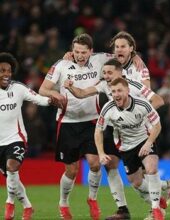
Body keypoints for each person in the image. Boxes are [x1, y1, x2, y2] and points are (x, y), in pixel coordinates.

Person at [64, 58, 170, 219]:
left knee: (150, 169)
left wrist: (139, 115)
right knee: (132, 179)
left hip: (141, 133)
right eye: (104, 73)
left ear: (121, 73)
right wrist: (71, 87)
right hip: (118, 133)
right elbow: (82, 94)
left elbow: (158, 100)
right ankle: (159, 189)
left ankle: (155, 209)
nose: (106, 76)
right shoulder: (105, 90)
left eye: (110, 72)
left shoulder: (134, 87)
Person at [39, 33, 110, 220]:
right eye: (76, 51)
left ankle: (92, 199)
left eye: (84, 52)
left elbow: (123, 56)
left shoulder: (100, 59)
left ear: (91, 51)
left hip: (92, 121)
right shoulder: (60, 65)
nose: (79, 55)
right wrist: (56, 95)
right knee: (71, 170)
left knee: (95, 164)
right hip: (68, 122)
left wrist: (135, 57)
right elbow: (43, 89)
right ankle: (63, 203)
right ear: (72, 50)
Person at [0, 52, 61, 220]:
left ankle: (9, 203)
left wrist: (51, 100)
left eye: (9, 70)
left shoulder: (18, 88)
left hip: (16, 138)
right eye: (2, 70)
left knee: (12, 168)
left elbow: (38, 99)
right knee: (13, 178)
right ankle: (27, 206)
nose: (6, 74)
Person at [94, 77, 165, 220]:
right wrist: (101, 153)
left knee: (151, 169)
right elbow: (98, 131)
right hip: (126, 147)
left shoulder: (142, 104)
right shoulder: (107, 109)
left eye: (119, 90)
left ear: (127, 91)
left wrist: (148, 143)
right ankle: (159, 195)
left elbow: (157, 126)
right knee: (136, 183)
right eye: (113, 91)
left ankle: (156, 210)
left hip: (144, 140)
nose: (116, 94)